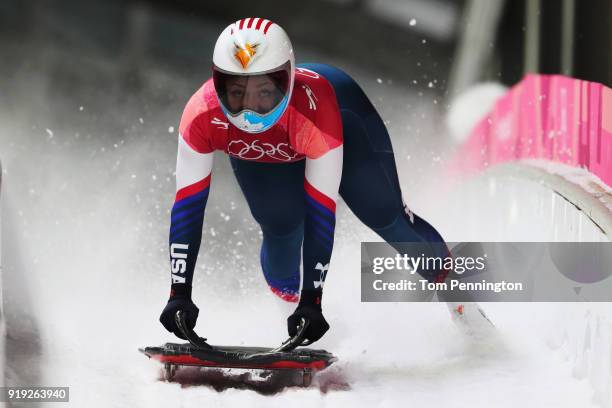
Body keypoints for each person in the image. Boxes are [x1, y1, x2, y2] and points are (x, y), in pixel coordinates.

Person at [159, 18, 488, 344]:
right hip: (278, 149)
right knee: (281, 227)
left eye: (264, 93)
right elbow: (188, 207)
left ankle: (463, 305)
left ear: (288, 82)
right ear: (217, 86)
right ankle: (294, 326)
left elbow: (321, 214)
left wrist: (312, 299)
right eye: (236, 92)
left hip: (345, 126)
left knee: (386, 217)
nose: (251, 112)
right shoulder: (201, 114)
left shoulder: (314, 112)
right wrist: (179, 292)